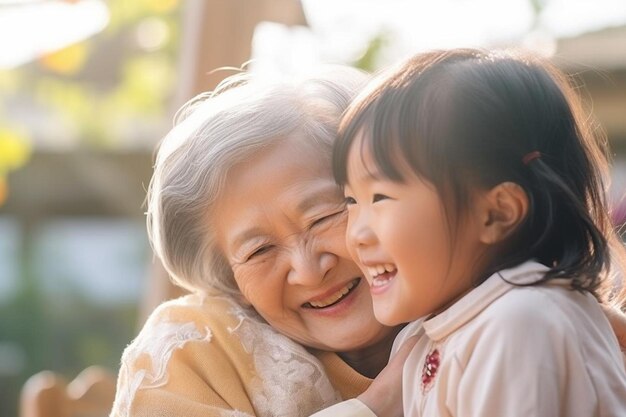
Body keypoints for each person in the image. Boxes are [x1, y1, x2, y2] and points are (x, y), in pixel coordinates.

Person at [110, 62, 626, 417]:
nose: (310, 271)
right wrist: (376, 405)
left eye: (328, 215)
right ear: (228, 278)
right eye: (259, 250)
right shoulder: (192, 349)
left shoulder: (503, 306)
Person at [332, 48, 626, 416]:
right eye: (350, 201)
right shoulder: (428, 335)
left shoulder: (520, 322)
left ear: (496, 213)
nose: (356, 234)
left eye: (380, 197)